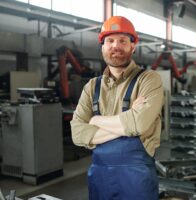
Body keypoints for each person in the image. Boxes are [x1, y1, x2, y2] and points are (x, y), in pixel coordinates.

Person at [70, 16, 164, 200]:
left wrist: (95, 121)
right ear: (102, 47)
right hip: (100, 179)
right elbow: (78, 134)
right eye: (110, 41)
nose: (116, 46)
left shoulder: (148, 79)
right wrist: (127, 122)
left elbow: (139, 124)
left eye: (123, 41)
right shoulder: (91, 87)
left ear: (133, 46)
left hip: (137, 180)